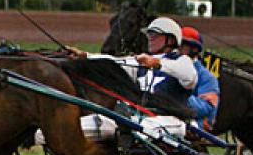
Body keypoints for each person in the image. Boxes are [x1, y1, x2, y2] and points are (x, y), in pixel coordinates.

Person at [69, 16, 197, 104]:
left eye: (156, 35)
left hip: (170, 120)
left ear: (171, 40)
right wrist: (85, 56)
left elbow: (189, 76)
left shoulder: (182, 60)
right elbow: (114, 62)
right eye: (149, 34)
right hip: (140, 117)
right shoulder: (142, 61)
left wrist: (156, 63)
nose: (150, 38)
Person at [178, 26, 220, 130]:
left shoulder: (207, 77)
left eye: (182, 45)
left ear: (195, 49)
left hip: (192, 126)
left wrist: (176, 96)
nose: (177, 49)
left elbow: (206, 108)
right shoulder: (169, 67)